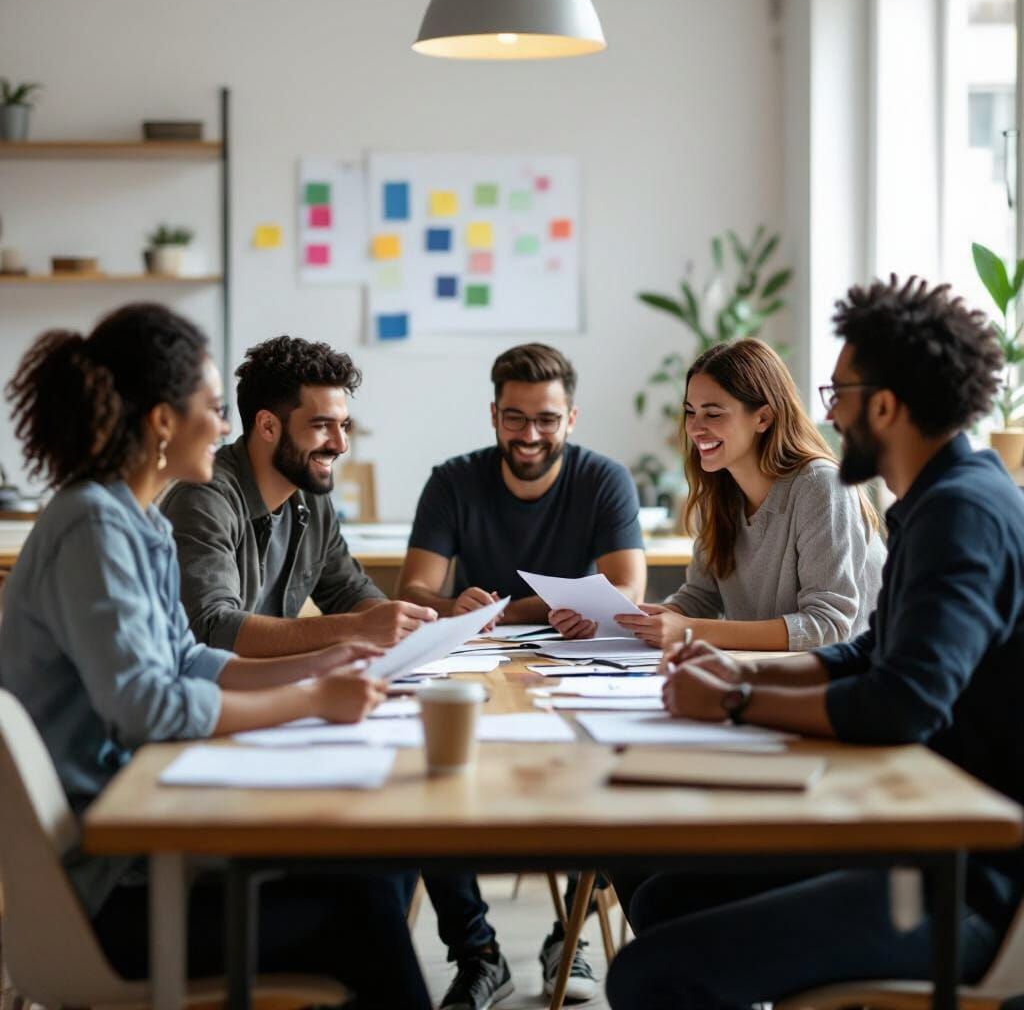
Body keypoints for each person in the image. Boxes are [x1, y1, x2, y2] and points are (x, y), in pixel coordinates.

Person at [606, 276, 1024, 1010]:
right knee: (664, 893)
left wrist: (735, 702)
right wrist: (736, 681)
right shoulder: (937, 501)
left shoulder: (963, 514)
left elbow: (901, 702)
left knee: (647, 974)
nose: (827, 414)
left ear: (884, 406)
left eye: (840, 394)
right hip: (917, 838)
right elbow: (866, 655)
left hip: (965, 882)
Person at [0, 304, 430, 1010]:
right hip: (108, 892)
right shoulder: (94, 526)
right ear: (162, 422)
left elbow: (190, 660)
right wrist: (310, 700)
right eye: (212, 408)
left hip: (145, 846)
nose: (227, 425)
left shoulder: (133, 519)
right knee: (367, 907)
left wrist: (320, 666)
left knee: (375, 868)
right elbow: (148, 707)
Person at [398, 342, 647, 1007]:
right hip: (473, 665)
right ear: (494, 415)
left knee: (617, 763)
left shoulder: (603, 479)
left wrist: (510, 611)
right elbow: (413, 587)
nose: (530, 434)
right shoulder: (453, 480)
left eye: (546, 419)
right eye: (515, 418)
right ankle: (476, 953)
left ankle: (571, 934)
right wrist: (449, 602)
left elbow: (625, 587)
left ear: (571, 418)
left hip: (572, 662)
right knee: (430, 769)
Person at [161, 336, 436, 656]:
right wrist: (355, 628)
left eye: (343, 425)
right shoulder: (204, 500)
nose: (340, 444)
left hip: (278, 678)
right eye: (322, 426)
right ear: (268, 426)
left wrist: (403, 624)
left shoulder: (309, 493)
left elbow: (348, 591)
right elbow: (213, 629)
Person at [616, 337, 885, 651]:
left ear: (763, 418)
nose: (694, 428)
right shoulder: (719, 489)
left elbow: (827, 625)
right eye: (690, 412)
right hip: (767, 669)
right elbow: (701, 597)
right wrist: (637, 621)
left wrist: (690, 630)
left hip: (849, 674)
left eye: (713, 414)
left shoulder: (820, 485)